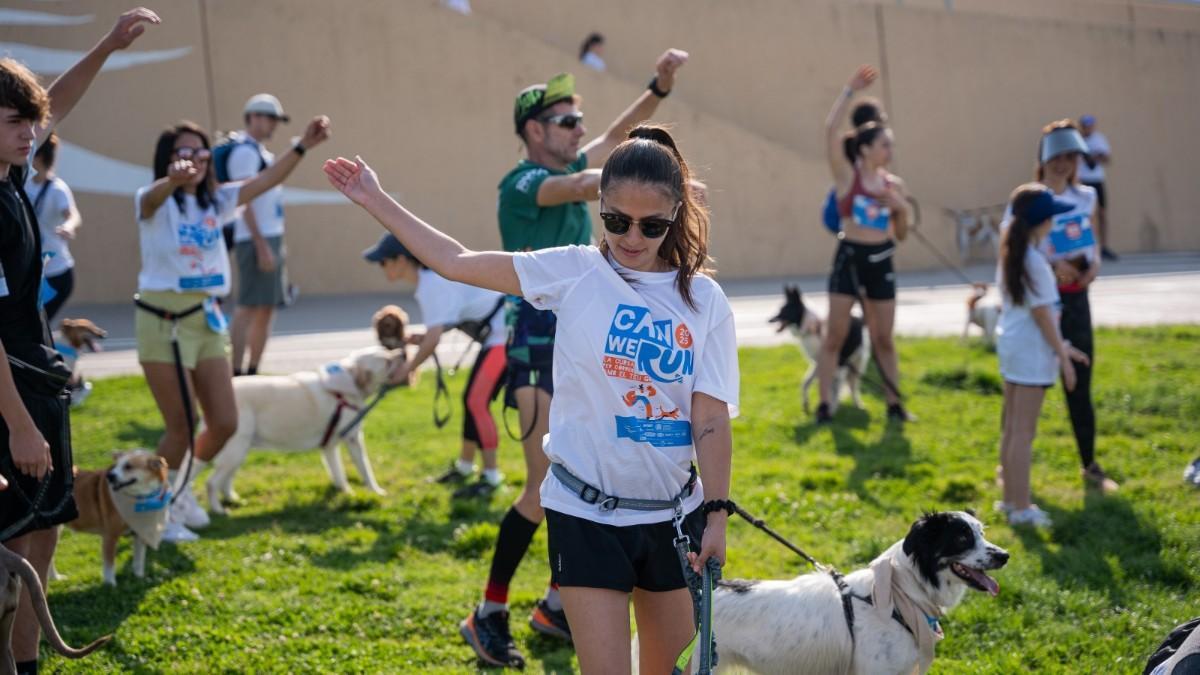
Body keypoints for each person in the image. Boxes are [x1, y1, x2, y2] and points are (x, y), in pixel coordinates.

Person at [325, 122, 737, 675]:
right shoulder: (573, 271)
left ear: (676, 215)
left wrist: (715, 516)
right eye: (616, 221)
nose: (632, 238)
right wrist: (376, 200)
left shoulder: (704, 299)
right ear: (600, 206)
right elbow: (457, 261)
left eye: (652, 225)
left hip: (672, 518)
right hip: (585, 514)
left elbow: (709, 418)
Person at [471, 48, 689, 666]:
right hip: (539, 342)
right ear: (535, 131)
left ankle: (556, 604)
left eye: (579, 122)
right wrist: (652, 190)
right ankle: (489, 611)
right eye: (567, 123)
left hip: (580, 341)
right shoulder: (524, 182)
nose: (579, 131)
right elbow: (586, 181)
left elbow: (618, 140)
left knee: (588, 475)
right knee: (544, 488)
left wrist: (659, 88)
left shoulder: (573, 166)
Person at [0, 10, 161, 675]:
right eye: (17, 124)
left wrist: (108, 44)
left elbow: (50, 105)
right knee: (16, 532)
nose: (34, 132)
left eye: (31, 123)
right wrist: (17, 425)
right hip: (13, 387)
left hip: (36, 374)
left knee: (42, 527)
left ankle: (26, 661)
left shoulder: (9, 172)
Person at [134, 115, 330, 542]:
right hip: (161, 319)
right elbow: (150, 199)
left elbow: (264, 181)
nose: (193, 160)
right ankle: (152, 514)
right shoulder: (153, 200)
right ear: (167, 161)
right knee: (180, 425)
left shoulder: (216, 201)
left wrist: (302, 146)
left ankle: (179, 490)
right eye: (182, 153)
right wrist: (172, 180)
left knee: (223, 420)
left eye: (200, 151)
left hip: (206, 319)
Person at [362, 233, 508, 498]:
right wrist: (422, 339)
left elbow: (433, 340)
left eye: (384, 262)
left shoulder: (430, 284)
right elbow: (443, 324)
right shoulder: (429, 281)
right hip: (498, 337)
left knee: (476, 402)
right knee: (471, 401)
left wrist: (406, 370)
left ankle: (492, 476)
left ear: (401, 260)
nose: (381, 267)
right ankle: (465, 467)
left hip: (504, 339)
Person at [817, 65, 913, 424]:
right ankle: (825, 404)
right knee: (835, 335)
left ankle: (894, 403)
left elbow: (900, 234)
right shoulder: (847, 176)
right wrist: (849, 91)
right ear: (868, 147)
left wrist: (901, 210)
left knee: (883, 338)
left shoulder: (895, 186)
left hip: (881, 260)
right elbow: (830, 131)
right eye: (885, 144)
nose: (890, 150)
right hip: (850, 258)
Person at [994, 184, 1090, 528]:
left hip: (1014, 347)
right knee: (1023, 433)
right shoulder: (1034, 261)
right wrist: (1063, 359)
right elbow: (1043, 316)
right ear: (1042, 222)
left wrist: (1064, 348)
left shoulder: (1014, 252)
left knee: (1011, 430)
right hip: (1031, 354)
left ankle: (1009, 502)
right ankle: (1021, 507)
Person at [1035, 120, 1119, 493]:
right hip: (1041, 303)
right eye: (1057, 155)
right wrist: (1051, 266)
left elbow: (1094, 243)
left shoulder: (1085, 196)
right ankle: (1013, 467)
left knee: (1080, 383)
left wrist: (1094, 266)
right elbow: (1015, 248)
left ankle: (1089, 463)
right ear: (1044, 157)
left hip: (1076, 297)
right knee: (1031, 384)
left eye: (1071, 156)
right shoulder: (1030, 198)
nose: (1063, 163)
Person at [223, 93, 294, 377]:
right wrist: (261, 244)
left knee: (266, 308)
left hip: (268, 237)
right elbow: (242, 201)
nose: (274, 125)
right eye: (269, 118)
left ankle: (252, 371)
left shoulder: (260, 152)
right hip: (255, 240)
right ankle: (237, 373)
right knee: (248, 308)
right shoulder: (244, 152)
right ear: (252, 117)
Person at [25, 133, 82, 321]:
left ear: (39, 156)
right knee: (28, 324)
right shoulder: (24, 185)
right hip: (32, 271)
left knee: (37, 324)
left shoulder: (57, 189)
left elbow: (73, 215)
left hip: (55, 274)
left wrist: (68, 226)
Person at [1077, 114, 1116, 261]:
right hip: (1082, 181)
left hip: (1097, 181)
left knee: (1102, 214)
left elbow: (1107, 158)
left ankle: (1103, 246)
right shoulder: (1077, 139)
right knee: (1084, 215)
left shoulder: (1099, 139)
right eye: (1085, 125)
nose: (1088, 128)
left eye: (1090, 125)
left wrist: (1096, 157)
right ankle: (1084, 246)